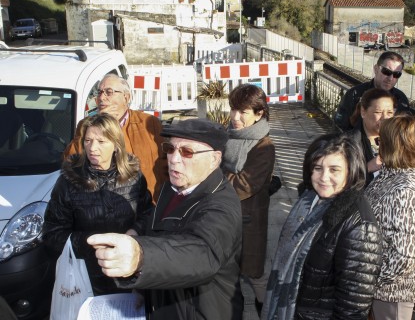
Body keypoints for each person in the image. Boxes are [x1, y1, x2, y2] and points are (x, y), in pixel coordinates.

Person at [87, 118, 243, 320]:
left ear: (214, 159)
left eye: (187, 152)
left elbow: (202, 252)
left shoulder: (222, 205)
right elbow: (159, 219)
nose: (174, 159)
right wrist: (136, 232)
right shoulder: (173, 186)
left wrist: (140, 257)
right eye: (170, 149)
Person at [262, 133, 383, 319]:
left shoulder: (359, 225)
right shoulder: (310, 200)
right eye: (318, 168)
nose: (324, 178)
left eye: (334, 170)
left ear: (351, 170)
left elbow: (352, 308)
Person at [43, 113, 152, 295]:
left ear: (116, 145)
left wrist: (135, 231)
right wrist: (91, 243)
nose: (92, 148)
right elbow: (52, 234)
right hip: (84, 281)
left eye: (101, 142)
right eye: (88, 140)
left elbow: (149, 214)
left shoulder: (134, 177)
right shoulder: (69, 181)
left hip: (127, 278)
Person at [365, 115, 415, 320]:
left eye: (381, 141)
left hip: (395, 290)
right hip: (397, 283)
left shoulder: (404, 191)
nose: (378, 146)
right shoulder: (413, 169)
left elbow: (403, 257)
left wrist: (370, 280)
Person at [64, 74, 167, 202]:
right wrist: (101, 123)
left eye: (109, 92)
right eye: (100, 92)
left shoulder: (149, 123)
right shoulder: (87, 125)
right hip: (104, 208)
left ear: (126, 97)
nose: (101, 97)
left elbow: (165, 164)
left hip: (148, 206)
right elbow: (71, 164)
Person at [221, 84, 275, 314]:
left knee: (256, 275)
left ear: (258, 114)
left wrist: (213, 175)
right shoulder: (228, 135)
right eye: (233, 109)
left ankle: (266, 312)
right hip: (226, 216)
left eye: (242, 111)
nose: (235, 117)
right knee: (229, 275)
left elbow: (243, 185)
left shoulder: (264, 146)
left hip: (249, 220)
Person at [334, 51, 410, 132]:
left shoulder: (402, 100)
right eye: (386, 71)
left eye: (397, 74)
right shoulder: (354, 95)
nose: (390, 78)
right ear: (376, 69)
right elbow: (339, 127)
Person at [348, 88, 395, 186]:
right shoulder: (347, 144)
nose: (385, 118)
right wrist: (367, 168)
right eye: (378, 112)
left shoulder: (398, 140)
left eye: (389, 113)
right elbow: (338, 180)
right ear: (363, 112)